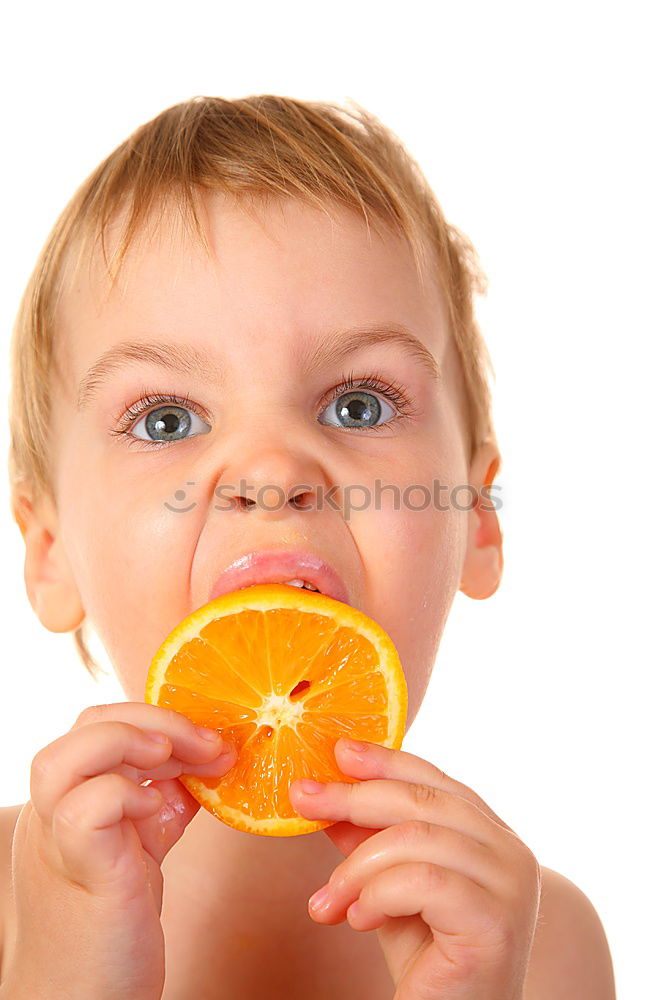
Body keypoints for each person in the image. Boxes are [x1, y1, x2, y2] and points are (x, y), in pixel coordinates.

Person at [0, 95, 615, 999]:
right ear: (51, 550)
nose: (272, 469)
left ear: (475, 515)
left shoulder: (535, 943)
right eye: (166, 419)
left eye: (356, 404)